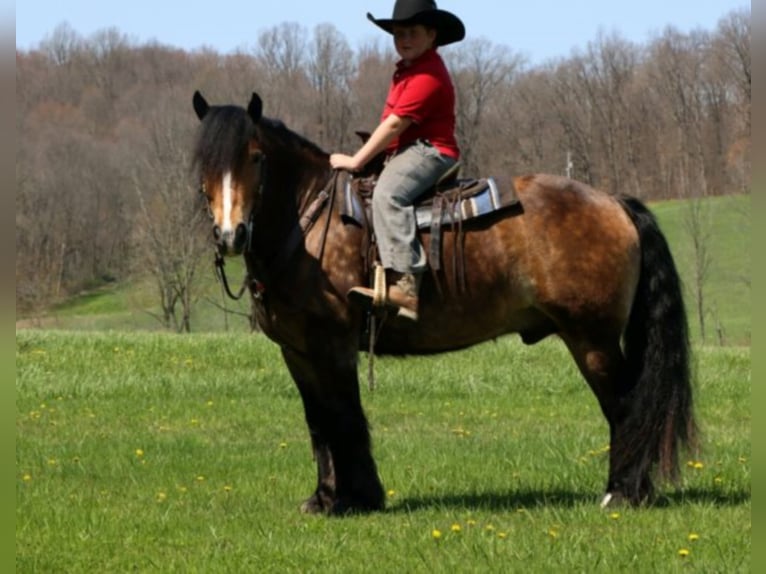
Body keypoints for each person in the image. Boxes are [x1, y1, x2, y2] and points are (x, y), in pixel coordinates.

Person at [330, 0, 465, 321]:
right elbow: (389, 122)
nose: (404, 39)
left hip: (431, 151)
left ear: (432, 34)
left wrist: (356, 160)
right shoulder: (407, 71)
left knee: (389, 195)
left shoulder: (428, 74)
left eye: (413, 32)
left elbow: (394, 125)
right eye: (398, 33)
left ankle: (405, 285)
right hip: (408, 150)